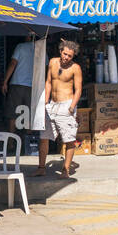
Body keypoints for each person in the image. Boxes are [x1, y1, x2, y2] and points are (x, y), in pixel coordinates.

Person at [37, 40, 82, 176]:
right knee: (44, 137)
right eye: (65, 54)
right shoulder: (52, 62)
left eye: (69, 56)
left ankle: (65, 169)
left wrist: (72, 106)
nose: (66, 57)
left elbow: (78, 89)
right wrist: (45, 100)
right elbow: (49, 81)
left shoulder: (75, 68)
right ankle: (41, 168)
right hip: (51, 104)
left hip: (66, 104)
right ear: (60, 51)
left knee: (68, 139)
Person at [2, 36, 36, 140]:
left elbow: (13, 63)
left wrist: (5, 81)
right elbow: (46, 68)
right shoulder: (41, 49)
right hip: (32, 86)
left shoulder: (20, 47)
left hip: (17, 84)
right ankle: (29, 143)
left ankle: (11, 142)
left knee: (13, 114)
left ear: (28, 36)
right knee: (29, 114)